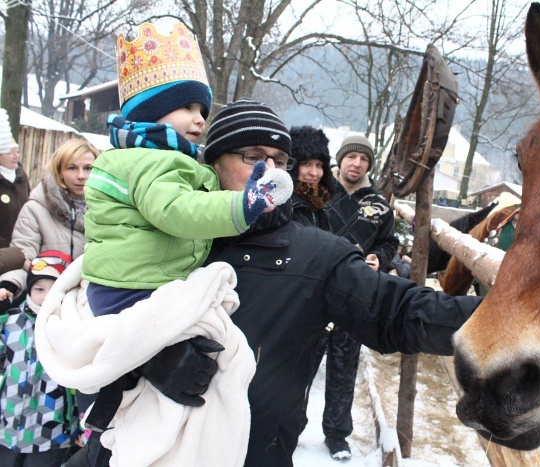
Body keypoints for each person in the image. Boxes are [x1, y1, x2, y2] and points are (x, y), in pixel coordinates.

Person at [44, 99, 483, 466]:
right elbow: (92, 322)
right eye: (253, 157)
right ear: (210, 167)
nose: (271, 171)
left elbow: (399, 311)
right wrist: (145, 357)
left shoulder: (316, 256)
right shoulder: (168, 243)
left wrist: (499, 319)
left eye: (281, 162)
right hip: (132, 448)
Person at [81, 21, 292, 318]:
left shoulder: (146, 155)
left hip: (130, 281)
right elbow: (175, 209)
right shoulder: (150, 160)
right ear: (150, 111)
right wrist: (241, 205)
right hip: (135, 288)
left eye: (202, 111)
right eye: (188, 108)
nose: (200, 120)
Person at [316, 134, 399, 459]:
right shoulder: (319, 194)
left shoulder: (378, 204)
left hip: (353, 295)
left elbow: (389, 243)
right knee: (301, 364)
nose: (357, 164)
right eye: (351, 157)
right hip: (315, 291)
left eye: (363, 159)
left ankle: (337, 435)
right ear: (341, 159)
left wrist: (380, 258)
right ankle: (289, 423)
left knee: (344, 366)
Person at [0, 138, 99, 312]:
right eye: (72, 168)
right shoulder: (35, 210)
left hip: (91, 305)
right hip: (46, 305)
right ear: (59, 171)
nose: (81, 175)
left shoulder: (110, 210)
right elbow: (24, 260)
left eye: (88, 168)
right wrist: (9, 286)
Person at [0, 250, 80, 465]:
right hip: (7, 426)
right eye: (38, 289)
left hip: (51, 433)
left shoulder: (69, 325)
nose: (45, 296)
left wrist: (82, 424)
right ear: (29, 289)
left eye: (53, 289)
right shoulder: (12, 320)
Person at [289, 125, 339, 229]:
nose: (314, 173)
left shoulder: (321, 202)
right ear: (292, 165)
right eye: (306, 164)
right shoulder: (283, 204)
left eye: (319, 165)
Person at [0, 108, 30, 249]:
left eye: (17, 151)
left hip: (22, 247)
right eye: (10, 153)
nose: (16, 156)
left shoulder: (21, 177)